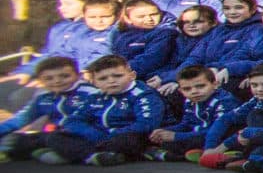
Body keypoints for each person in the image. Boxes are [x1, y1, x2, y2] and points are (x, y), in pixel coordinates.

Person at [32, 55, 166, 166]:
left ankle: (77, 154)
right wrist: (92, 133)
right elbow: (74, 120)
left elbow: (147, 124)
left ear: (131, 75)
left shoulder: (143, 94)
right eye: (103, 78)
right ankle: (95, 156)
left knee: (129, 141)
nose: (111, 81)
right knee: (57, 136)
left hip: (126, 136)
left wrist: (112, 133)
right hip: (98, 136)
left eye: (117, 76)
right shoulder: (97, 95)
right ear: (94, 82)